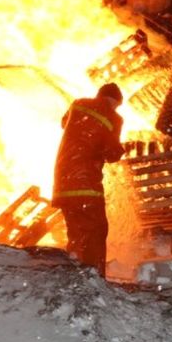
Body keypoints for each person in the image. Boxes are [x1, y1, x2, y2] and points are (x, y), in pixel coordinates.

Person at [52, 83, 125, 277]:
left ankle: (75, 273)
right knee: (96, 231)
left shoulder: (78, 105)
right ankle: (95, 278)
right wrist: (121, 149)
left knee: (76, 233)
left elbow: (64, 123)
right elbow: (111, 153)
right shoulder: (113, 117)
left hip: (63, 182)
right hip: (86, 185)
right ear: (115, 102)